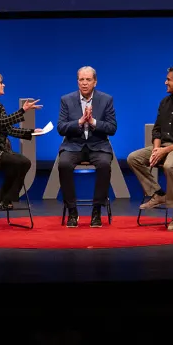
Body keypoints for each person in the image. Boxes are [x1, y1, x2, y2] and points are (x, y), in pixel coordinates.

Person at [126, 66, 173, 232]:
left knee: (169, 165)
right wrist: (156, 149)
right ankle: (159, 193)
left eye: (169, 79)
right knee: (134, 158)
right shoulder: (164, 102)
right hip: (164, 147)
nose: (165, 82)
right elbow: (157, 130)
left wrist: (165, 151)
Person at [0, 72, 46, 209]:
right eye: (0, 82)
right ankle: (4, 198)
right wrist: (22, 111)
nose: (3, 84)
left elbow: (8, 129)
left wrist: (32, 132)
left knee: (25, 162)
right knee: (16, 162)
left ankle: (1, 196)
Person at [55, 66, 117, 228]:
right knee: (63, 164)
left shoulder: (106, 99)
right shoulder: (66, 100)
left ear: (95, 82)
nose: (84, 83)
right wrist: (80, 122)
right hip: (73, 146)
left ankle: (96, 211)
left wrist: (93, 122)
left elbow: (112, 128)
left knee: (104, 165)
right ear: (77, 82)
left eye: (88, 80)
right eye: (81, 80)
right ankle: (72, 211)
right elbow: (61, 127)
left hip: (99, 146)